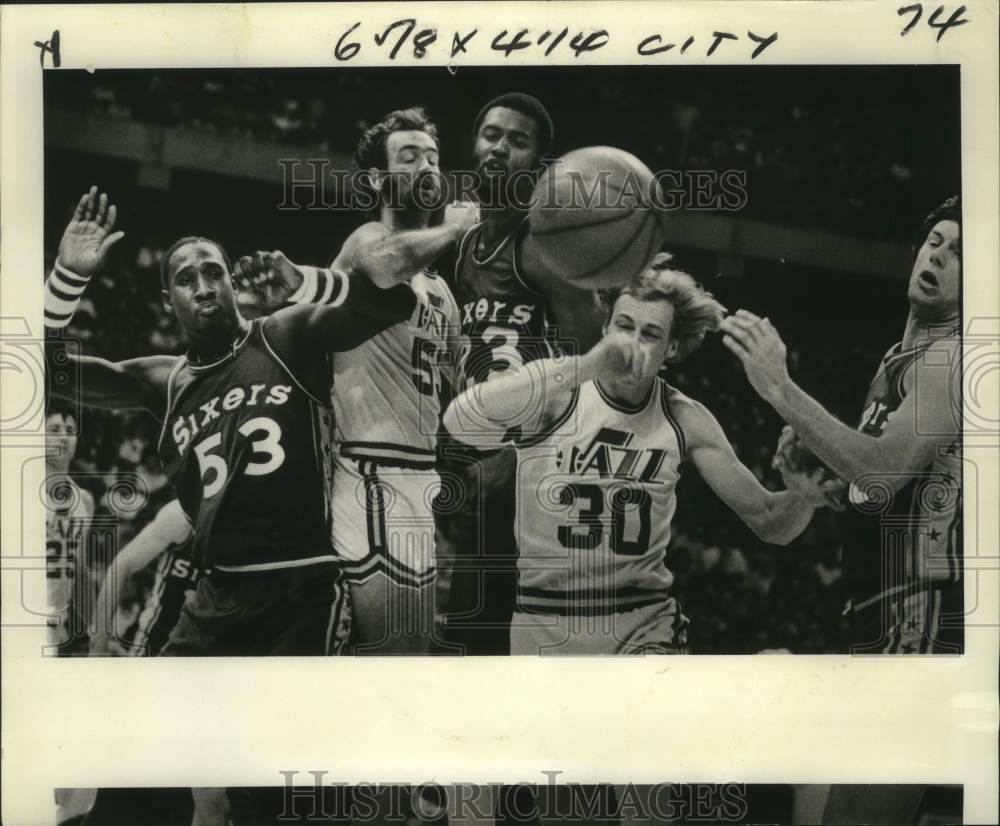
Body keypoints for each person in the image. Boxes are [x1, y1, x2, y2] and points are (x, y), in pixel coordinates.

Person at [45, 186, 418, 656]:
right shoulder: (165, 379)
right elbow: (45, 369)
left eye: (213, 272)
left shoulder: (284, 333)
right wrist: (67, 278)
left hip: (302, 584)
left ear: (230, 282)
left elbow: (398, 304)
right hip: (215, 593)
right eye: (186, 279)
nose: (203, 287)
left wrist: (306, 282)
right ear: (167, 301)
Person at [444, 255, 836, 653]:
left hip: (641, 622)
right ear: (605, 327)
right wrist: (584, 365)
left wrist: (804, 496)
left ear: (672, 350)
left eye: (650, 334)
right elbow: (460, 421)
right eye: (624, 326)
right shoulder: (560, 395)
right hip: (543, 619)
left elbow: (771, 522)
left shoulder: (684, 418)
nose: (632, 342)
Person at [238, 107, 466, 654]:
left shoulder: (444, 292)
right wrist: (459, 225)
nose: (426, 168)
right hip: (371, 475)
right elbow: (383, 269)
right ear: (375, 179)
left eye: (433, 157)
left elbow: (456, 398)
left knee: (403, 658)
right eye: (408, 158)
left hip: (419, 480)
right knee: (395, 660)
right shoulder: (369, 239)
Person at [720, 196, 963, 655]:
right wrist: (823, 489)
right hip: (880, 602)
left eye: (959, 254)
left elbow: (883, 470)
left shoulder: (954, 358)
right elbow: (881, 489)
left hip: (924, 601)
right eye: (935, 242)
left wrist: (779, 387)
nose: (937, 255)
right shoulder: (897, 358)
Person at [88, 498, 196, 656]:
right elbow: (121, 565)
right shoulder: (182, 514)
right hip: (158, 641)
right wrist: (98, 646)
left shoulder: (244, 530)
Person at [44, 402, 95, 655]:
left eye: (70, 429)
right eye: (54, 429)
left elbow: (80, 571)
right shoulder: (15, 489)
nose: (63, 435)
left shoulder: (84, 500)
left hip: (56, 625)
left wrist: (97, 629)